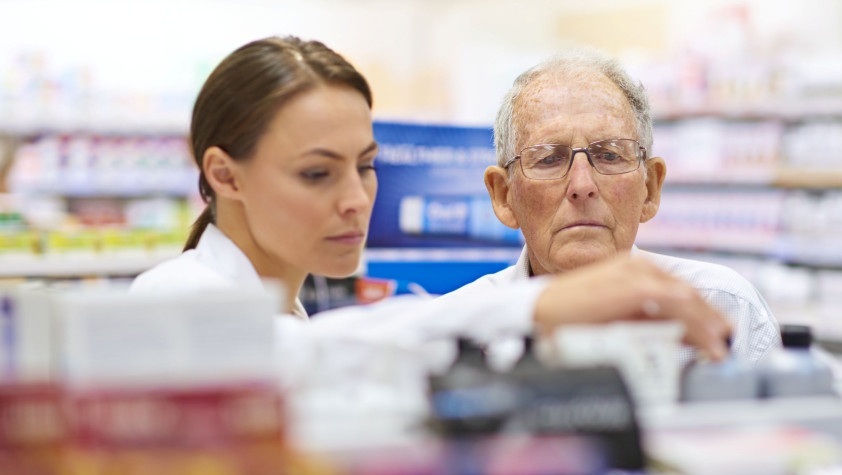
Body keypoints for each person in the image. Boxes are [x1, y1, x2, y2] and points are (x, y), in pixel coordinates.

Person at [130, 36, 732, 360]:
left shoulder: (281, 305)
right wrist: (535, 309)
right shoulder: (179, 299)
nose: (356, 201)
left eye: (365, 167)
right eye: (317, 174)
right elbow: (298, 360)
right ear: (225, 175)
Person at [447, 49, 781, 364]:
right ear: (504, 196)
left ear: (649, 188)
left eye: (609, 155)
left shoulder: (725, 308)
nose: (582, 187)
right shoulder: (455, 330)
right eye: (549, 158)